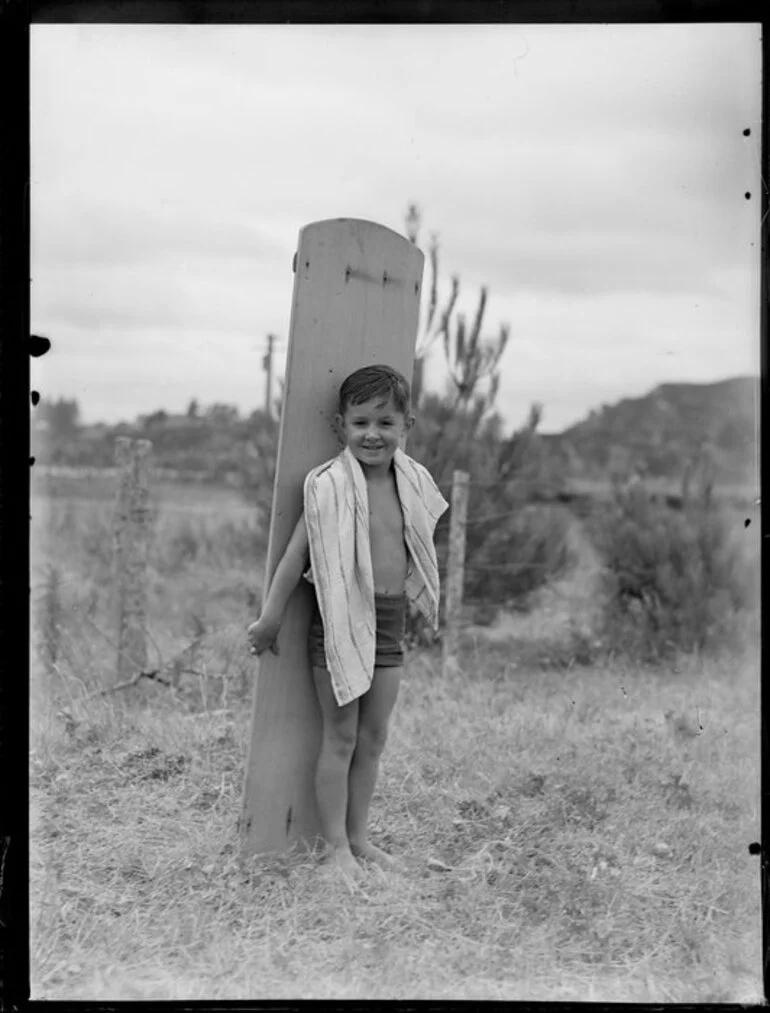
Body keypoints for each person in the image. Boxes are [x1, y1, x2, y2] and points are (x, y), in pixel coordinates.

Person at [247, 364, 448, 881]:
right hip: (338, 620)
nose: (372, 434)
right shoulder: (328, 486)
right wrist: (270, 617)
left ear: (407, 425)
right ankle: (335, 849)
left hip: (390, 622)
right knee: (340, 736)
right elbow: (296, 556)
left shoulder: (413, 482)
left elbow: (417, 548)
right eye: (360, 422)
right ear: (341, 426)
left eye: (385, 422)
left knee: (374, 737)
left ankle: (360, 840)